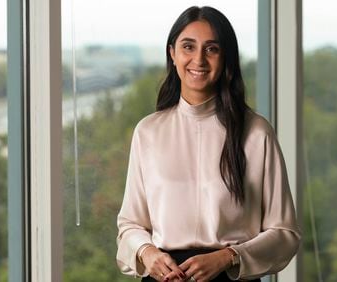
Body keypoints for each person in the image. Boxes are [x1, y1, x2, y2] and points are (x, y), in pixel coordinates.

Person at [116, 6, 301, 282]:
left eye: (211, 49)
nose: (198, 60)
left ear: (225, 58)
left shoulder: (257, 132)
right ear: (172, 53)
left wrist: (228, 257)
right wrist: (146, 252)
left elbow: (285, 234)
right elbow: (130, 223)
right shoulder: (148, 132)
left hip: (230, 277)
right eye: (188, 47)